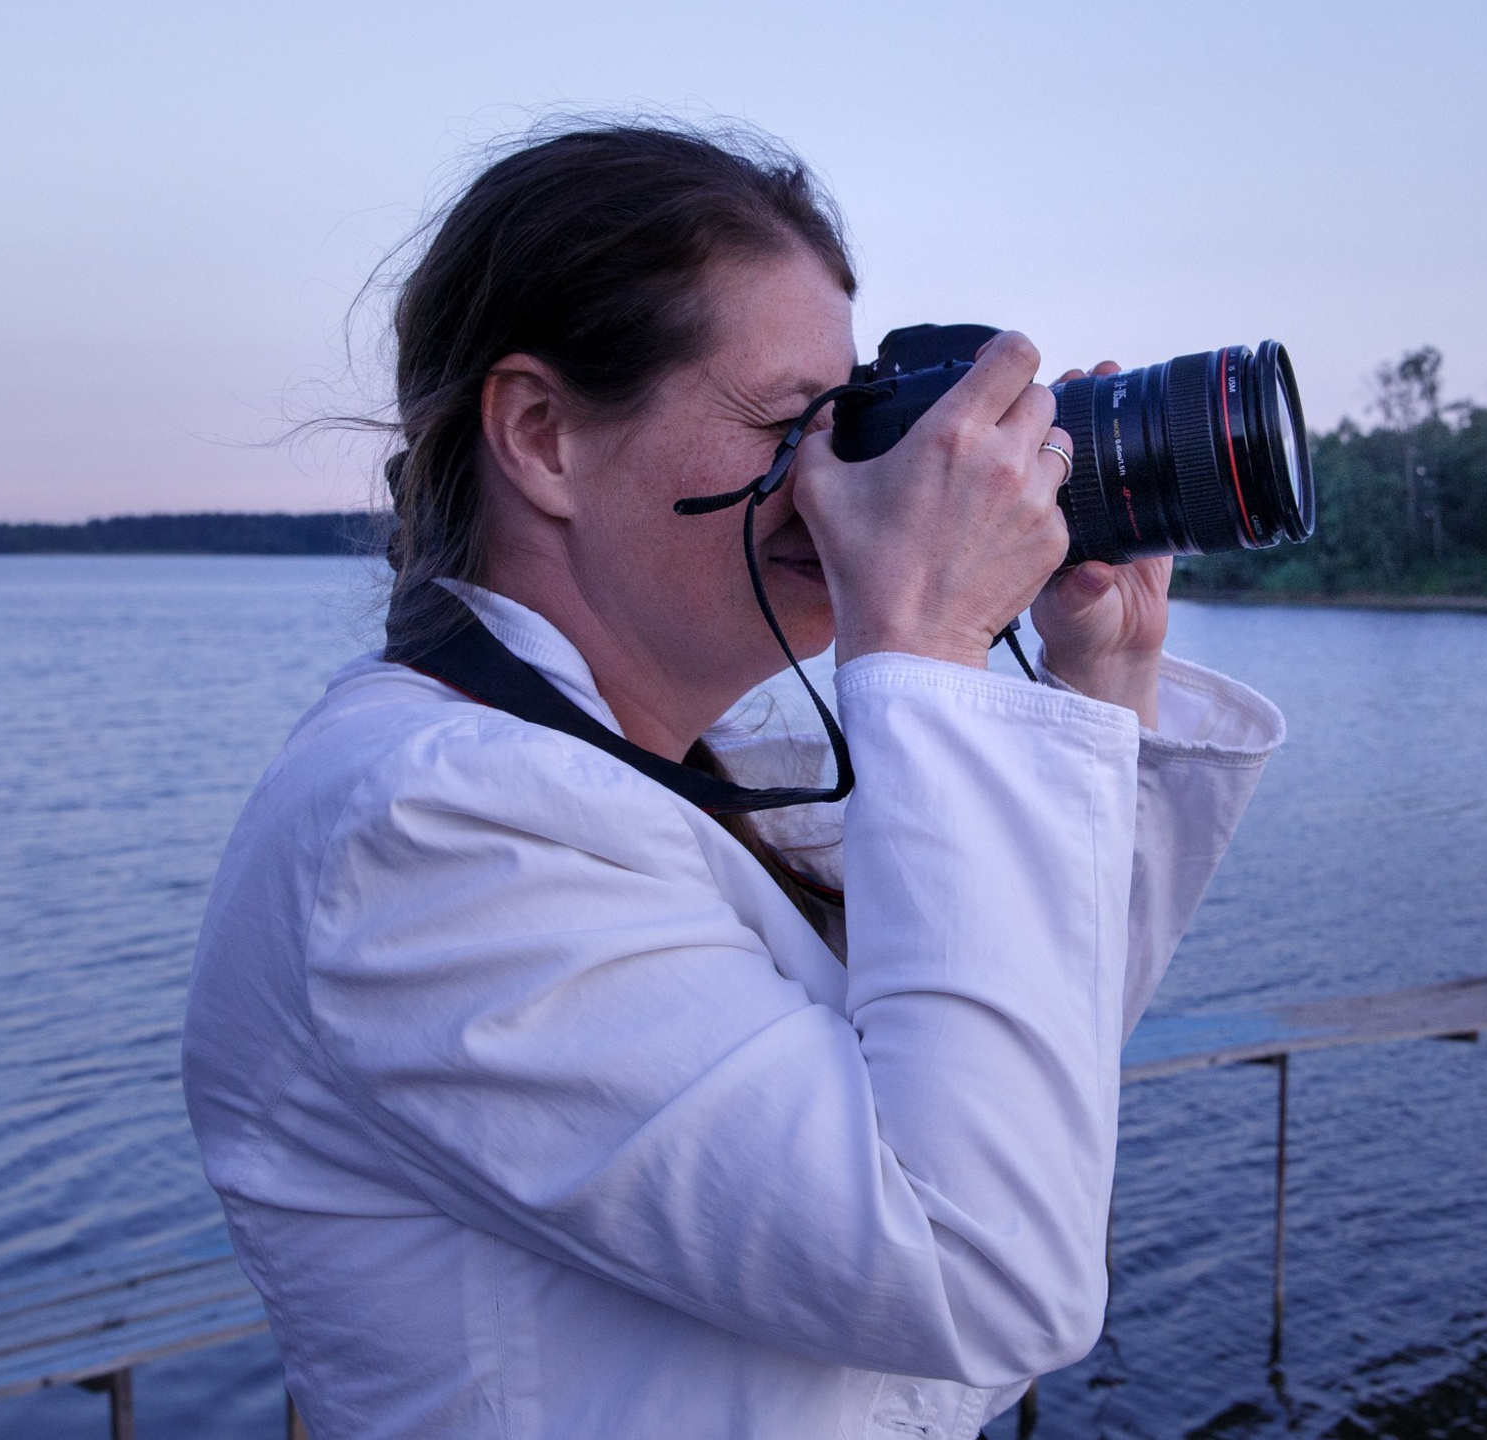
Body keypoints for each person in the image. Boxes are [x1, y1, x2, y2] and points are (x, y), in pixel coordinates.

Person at [180, 123, 1283, 1439]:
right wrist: (927, 647)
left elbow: (1008, 1101)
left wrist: (1097, 680)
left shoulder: (649, 787)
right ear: (543, 436)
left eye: (850, 423)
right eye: (787, 428)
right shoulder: (427, 829)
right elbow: (982, 1271)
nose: (837, 485)